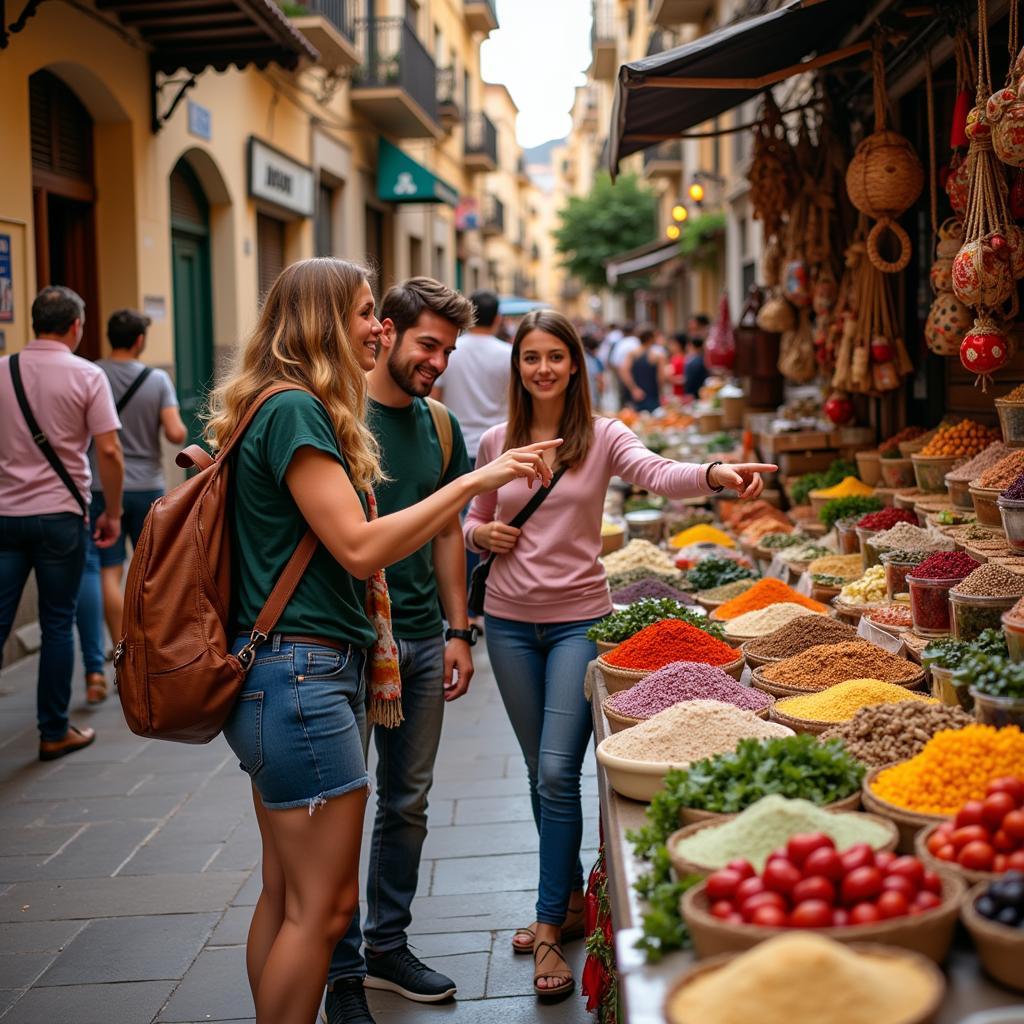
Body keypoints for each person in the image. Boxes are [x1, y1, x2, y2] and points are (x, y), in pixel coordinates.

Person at [206, 257, 559, 1024]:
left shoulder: (280, 404)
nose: (378, 326)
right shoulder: (297, 411)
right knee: (324, 909)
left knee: (285, 893)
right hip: (304, 677)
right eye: (367, 312)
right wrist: (470, 485)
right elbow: (360, 548)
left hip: (290, 672)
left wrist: (455, 619)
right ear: (326, 321)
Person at [463, 309, 773, 1001]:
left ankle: (549, 925)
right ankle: (569, 901)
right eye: (531, 357)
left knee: (554, 770)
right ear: (518, 367)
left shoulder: (601, 436)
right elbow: (471, 515)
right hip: (509, 623)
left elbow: (658, 473)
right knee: (538, 772)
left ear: (575, 365)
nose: (542, 368)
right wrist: (480, 539)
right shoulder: (493, 440)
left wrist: (718, 472)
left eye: (555, 356)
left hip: (578, 622)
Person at [325, 277, 476, 1022]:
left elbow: (449, 531)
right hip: (345, 646)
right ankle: (340, 970)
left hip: (421, 639)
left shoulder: (441, 427)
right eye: (427, 345)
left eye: (447, 351)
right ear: (383, 332)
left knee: (407, 803)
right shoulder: (334, 413)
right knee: (342, 811)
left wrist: (458, 630)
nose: (437, 362)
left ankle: (386, 946)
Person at [0, 286, 123, 760]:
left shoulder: (3, 370)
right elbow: (108, 450)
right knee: (56, 623)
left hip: (6, 516)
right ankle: (53, 731)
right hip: (61, 515)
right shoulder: (87, 375)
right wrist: (111, 513)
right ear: (75, 326)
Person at [75, 309, 187, 704]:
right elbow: (175, 432)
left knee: (106, 571)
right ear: (140, 340)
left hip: (100, 485)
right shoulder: (156, 379)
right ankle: (149, 650)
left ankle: (111, 652)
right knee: (152, 573)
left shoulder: (90, 373)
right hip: (146, 488)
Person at [432, 290, 509, 463]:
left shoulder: (448, 351)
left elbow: (434, 400)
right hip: (498, 449)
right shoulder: (509, 355)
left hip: (454, 447)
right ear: (497, 319)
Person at [619, 324, 666, 412]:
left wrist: (633, 389)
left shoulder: (632, 354)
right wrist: (661, 394)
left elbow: (623, 371)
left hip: (636, 395)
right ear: (652, 338)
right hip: (652, 394)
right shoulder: (658, 356)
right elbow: (661, 378)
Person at [684, 333, 710, 398]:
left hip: (694, 393)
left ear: (691, 345)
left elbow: (691, 380)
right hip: (701, 392)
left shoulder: (694, 361)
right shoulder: (702, 359)